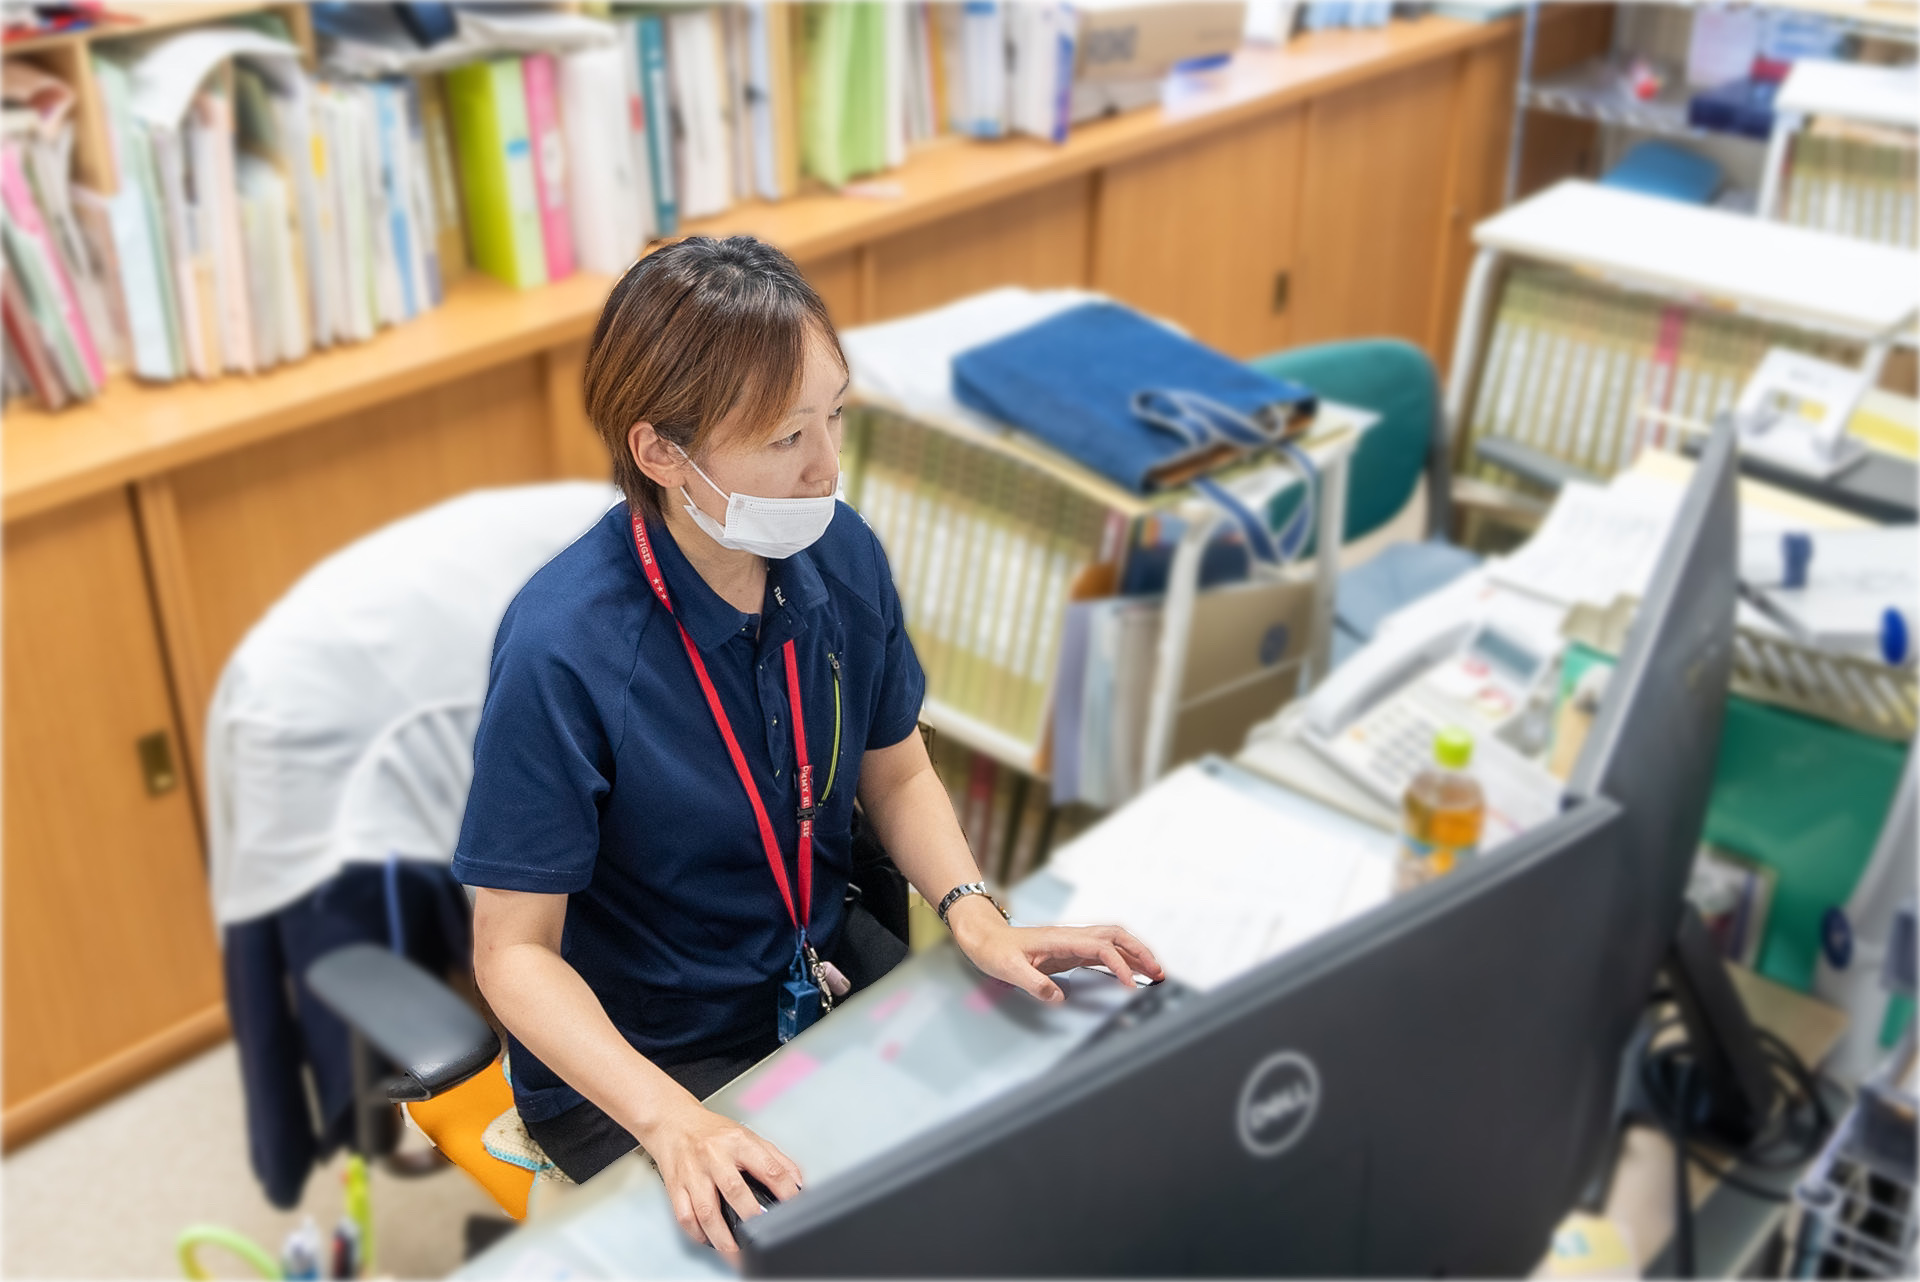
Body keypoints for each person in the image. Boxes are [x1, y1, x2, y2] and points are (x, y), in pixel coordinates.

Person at [453, 236, 1163, 1258]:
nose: (829, 465)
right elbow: (512, 955)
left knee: (1040, 1128)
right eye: (787, 436)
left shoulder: (838, 554)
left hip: (811, 962)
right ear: (661, 452)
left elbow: (897, 766)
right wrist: (671, 1121)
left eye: (834, 415)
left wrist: (974, 911)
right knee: (831, 1249)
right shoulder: (564, 649)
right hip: (645, 1054)